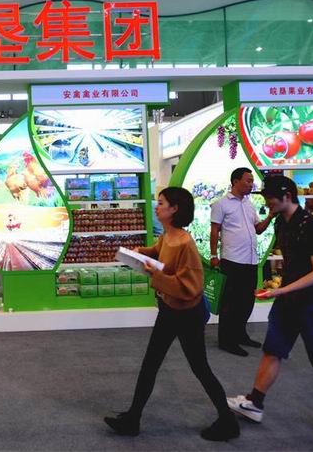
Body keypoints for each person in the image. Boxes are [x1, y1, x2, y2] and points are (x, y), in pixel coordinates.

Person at [228, 175, 313, 439]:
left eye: (270, 198)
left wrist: (281, 290)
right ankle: (255, 402)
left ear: (287, 196)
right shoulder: (281, 222)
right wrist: (281, 289)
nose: (267, 203)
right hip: (288, 301)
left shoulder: (312, 225)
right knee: (273, 350)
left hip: (312, 304)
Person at [105, 187, 240, 441]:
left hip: (186, 314)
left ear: (174, 209)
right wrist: (141, 253)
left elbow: (190, 287)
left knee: (199, 367)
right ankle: (133, 418)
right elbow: (159, 251)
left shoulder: (185, 243)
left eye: (161, 203)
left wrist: (156, 275)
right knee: (151, 364)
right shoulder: (168, 236)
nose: (157, 207)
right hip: (170, 309)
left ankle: (227, 420)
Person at [210, 168, 275, 356]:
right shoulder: (221, 204)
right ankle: (226, 341)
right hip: (232, 260)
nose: (251, 184)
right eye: (248, 180)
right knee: (230, 303)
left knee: (246, 302)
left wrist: (270, 216)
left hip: (251, 260)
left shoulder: (249, 204)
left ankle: (240, 335)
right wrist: (213, 255)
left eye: (252, 181)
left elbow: (258, 229)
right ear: (235, 181)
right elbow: (214, 230)